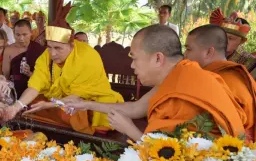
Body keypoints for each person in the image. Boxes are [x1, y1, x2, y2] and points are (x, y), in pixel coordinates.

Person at [65, 25, 245, 140]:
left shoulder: (188, 86)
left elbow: (174, 159)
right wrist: (85, 104)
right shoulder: (176, 76)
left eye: (135, 58)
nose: (132, 66)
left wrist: (129, 130)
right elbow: (135, 109)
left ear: (158, 58)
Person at [3, 1, 124, 135]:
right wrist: (16, 106)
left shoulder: (87, 56)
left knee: (76, 113)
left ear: (71, 44)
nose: (52, 53)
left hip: (87, 101)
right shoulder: (46, 56)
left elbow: (77, 97)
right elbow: (35, 84)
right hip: (58, 100)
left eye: (58, 48)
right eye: (49, 47)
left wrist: (49, 105)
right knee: (32, 105)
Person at [184, 24, 255, 139]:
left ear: (208, 52)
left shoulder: (217, 80)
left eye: (188, 49)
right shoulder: (231, 74)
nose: (185, 54)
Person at [2, 19, 46, 98]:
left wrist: (29, 73)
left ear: (31, 33)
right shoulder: (8, 50)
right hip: (15, 90)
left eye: (24, 34)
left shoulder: (39, 50)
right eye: (17, 35)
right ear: (13, 33)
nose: (21, 39)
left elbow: (44, 78)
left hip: (35, 91)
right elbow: (6, 76)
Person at [210, 8, 256, 79]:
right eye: (221, 36)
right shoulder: (206, 51)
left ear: (241, 42)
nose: (224, 40)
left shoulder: (250, 64)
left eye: (230, 38)